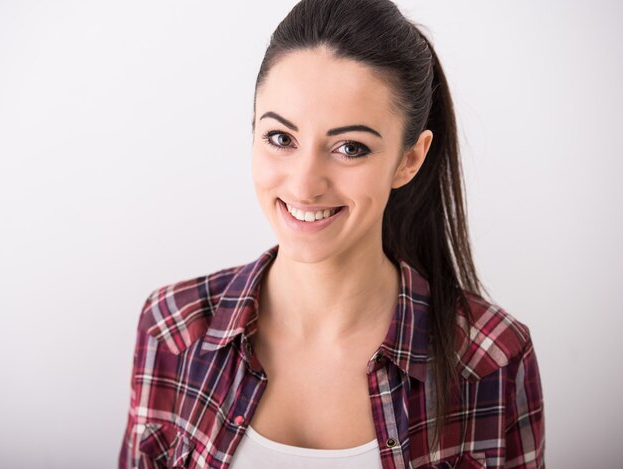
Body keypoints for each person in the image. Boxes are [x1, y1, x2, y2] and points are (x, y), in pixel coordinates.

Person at [118, 0, 545, 467]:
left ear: (409, 160)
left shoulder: (491, 358)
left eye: (350, 147)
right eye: (281, 138)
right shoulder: (173, 328)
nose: (304, 184)